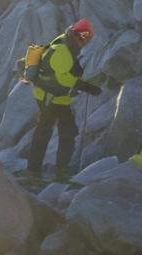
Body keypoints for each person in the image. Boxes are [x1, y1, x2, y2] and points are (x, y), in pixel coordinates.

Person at [24, 18, 103, 178]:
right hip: (51, 97)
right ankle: (51, 172)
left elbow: (61, 66)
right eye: (85, 40)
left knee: (56, 132)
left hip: (52, 96)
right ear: (81, 37)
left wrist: (76, 68)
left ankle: (39, 171)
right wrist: (86, 86)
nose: (85, 44)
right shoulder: (63, 50)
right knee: (55, 132)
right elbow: (62, 78)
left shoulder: (64, 41)